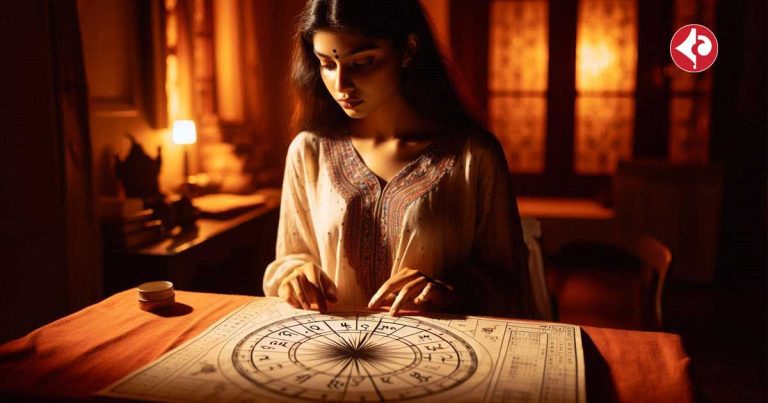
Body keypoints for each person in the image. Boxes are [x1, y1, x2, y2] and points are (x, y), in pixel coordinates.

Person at [263, 0, 546, 319]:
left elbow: (508, 281)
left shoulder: (472, 156)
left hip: (442, 359)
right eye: (327, 64)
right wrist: (295, 276)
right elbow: (290, 257)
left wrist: (448, 290)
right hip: (332, 354)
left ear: (408, 51)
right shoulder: (309, 152)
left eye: (363, 62)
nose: (341, 84)